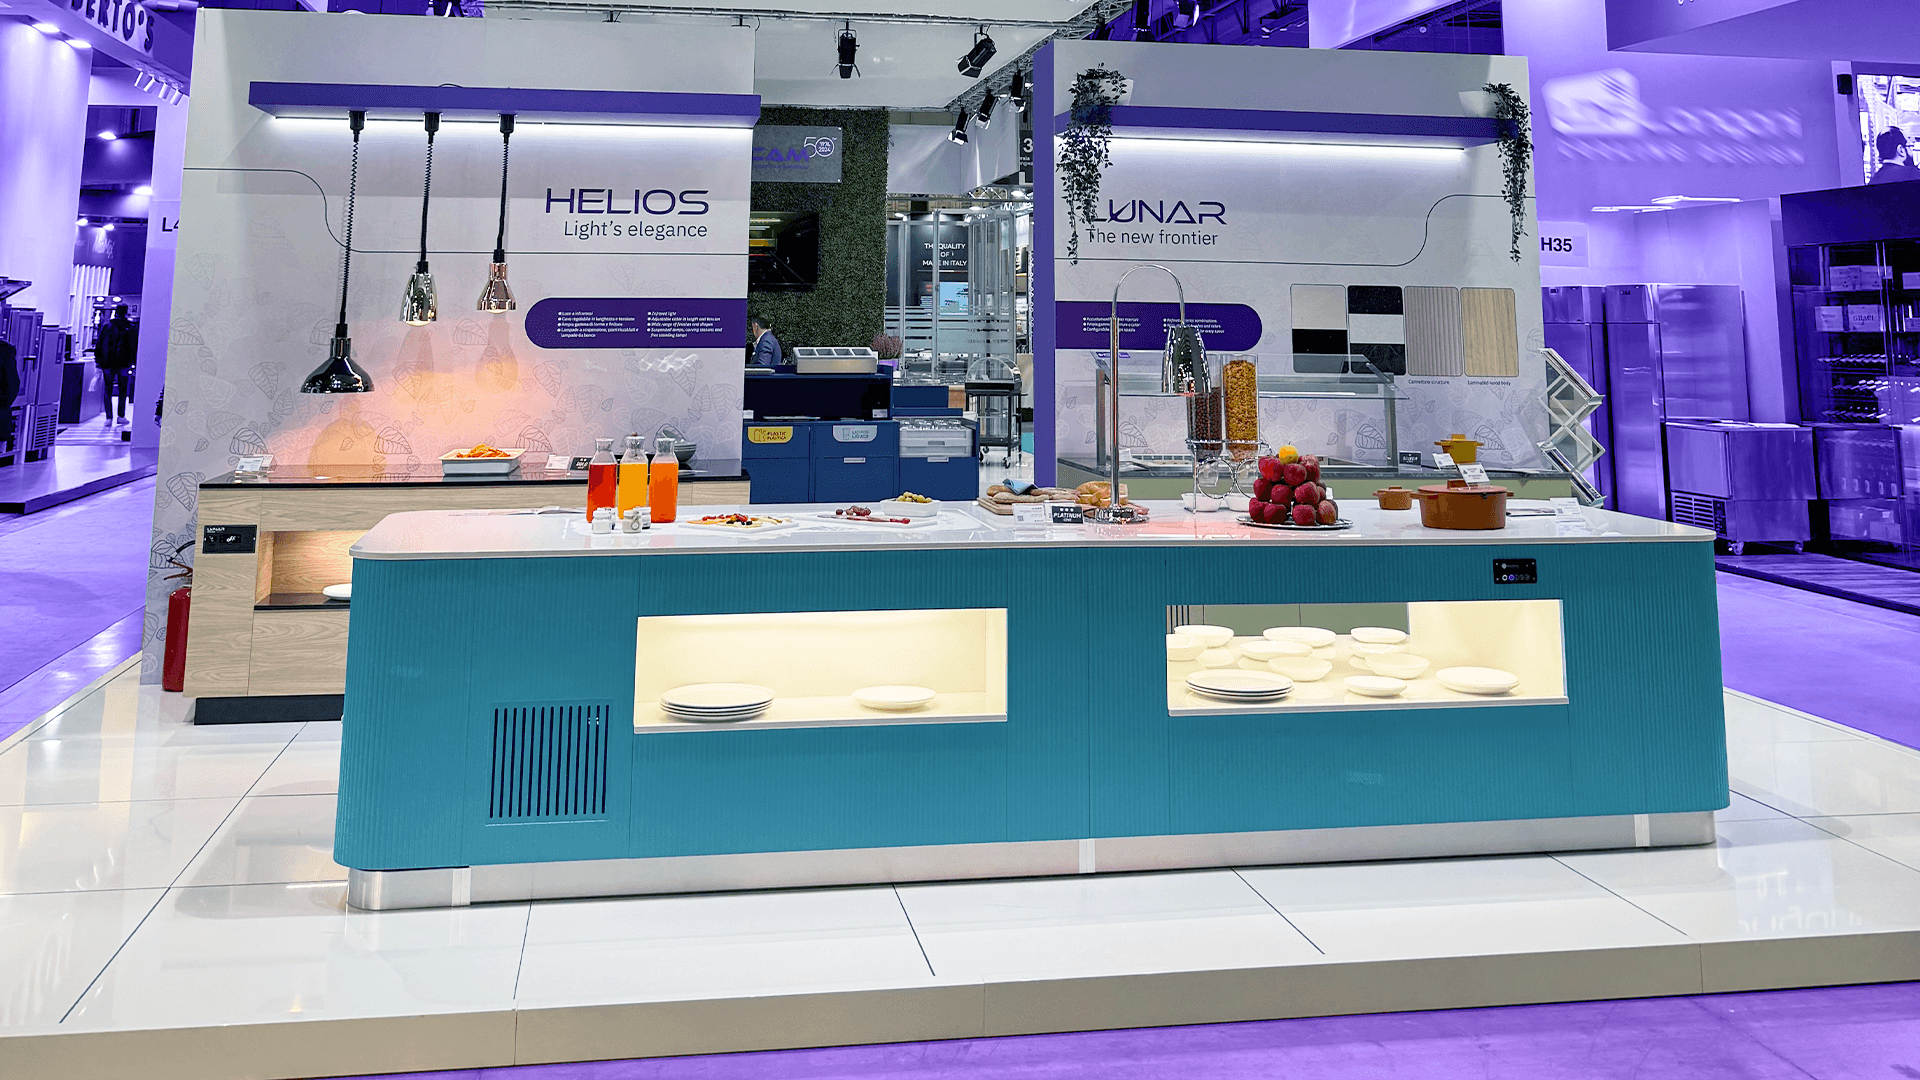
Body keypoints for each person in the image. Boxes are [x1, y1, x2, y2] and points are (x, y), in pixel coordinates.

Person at [95, 304, 138, 426]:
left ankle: (109, 418)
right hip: (124, 364)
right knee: (123, 390)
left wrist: (98, 362)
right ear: (126, 312)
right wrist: (133, 363)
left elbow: (99, 345)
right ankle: (121, 416)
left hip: (107, 364)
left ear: (116, 312)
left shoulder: (106, 327)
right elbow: (134, 347)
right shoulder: (130, 327)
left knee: (108, 390)